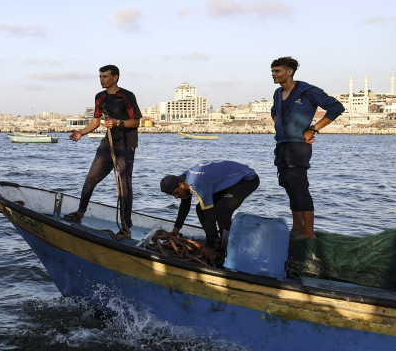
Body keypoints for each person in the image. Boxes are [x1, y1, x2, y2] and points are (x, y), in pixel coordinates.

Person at [270, 56, 344, 240]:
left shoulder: (307, 91)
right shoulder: (277, 94)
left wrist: (313, 129)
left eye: (277, 71)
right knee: (287, 183)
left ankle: (308, 232)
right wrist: (280, 125)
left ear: (289, 72)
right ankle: (297, 227)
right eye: (272, 71)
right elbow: (274, 111)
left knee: (299, 185)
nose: (274, 74)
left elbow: (336, 107)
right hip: (282, 144)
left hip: (298, 146)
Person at [65, 65, 142, 239]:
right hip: (107, 145)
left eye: (105, 76)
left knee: (124, 188)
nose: (102, 79)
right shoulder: (100, 97)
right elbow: (95, 121)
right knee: (90, 179)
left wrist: (117, 123)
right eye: (100, 76)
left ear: (115, 77)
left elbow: (136, 122)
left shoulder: (127, 96)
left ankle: (125, 229)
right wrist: (81, 133)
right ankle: (80, 211)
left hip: (125, 146)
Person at [160, 161, 260, 248]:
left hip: (247, 179)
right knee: (200, 209)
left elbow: (209, 216)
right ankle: (216, 240)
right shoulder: (184, 180)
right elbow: (185, 205)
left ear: (181, 185)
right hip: (229, 182)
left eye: (176, 193)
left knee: (222, 210)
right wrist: (176, 229)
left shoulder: (197, 183)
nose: (176, 197)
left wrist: (208, 246)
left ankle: (227, 248)